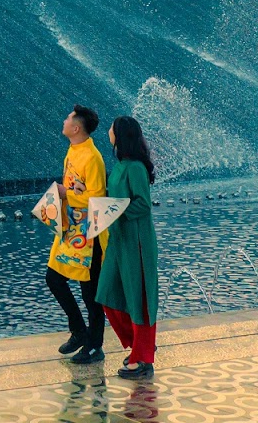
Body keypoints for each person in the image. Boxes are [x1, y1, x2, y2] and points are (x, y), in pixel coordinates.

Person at [40, 104, 107, 365]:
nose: (65, 121)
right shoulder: (72, 151)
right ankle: (79, 331)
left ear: (76, 128)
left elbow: (97, 197)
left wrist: (67, 193)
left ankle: (95, 346)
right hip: (70, 231)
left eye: (68, 118)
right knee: (53, 278)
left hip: (89, 235)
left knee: (90, 294)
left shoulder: (92, 157)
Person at [96, 114, 160, 380]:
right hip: (118, 239)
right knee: (107, 294)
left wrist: (115, 210)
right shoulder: (121, 165)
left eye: (112, 128)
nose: (108, 130)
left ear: (120, 135)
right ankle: (139, 344)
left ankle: (142, 358)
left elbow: (143, 203)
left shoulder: (135, 168)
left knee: (139, 298)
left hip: (136, 241)